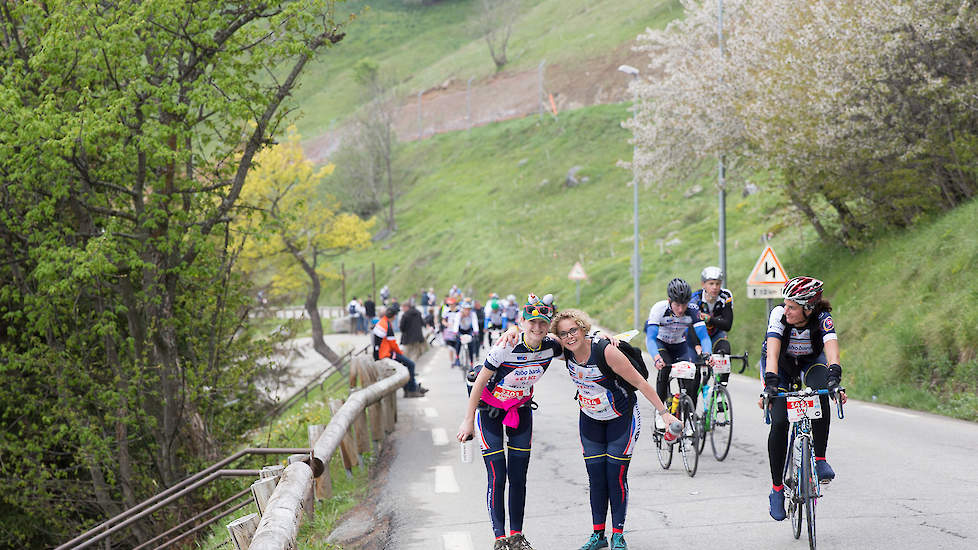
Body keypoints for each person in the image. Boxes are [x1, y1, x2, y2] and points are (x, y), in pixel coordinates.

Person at [552, 309, 678, 550]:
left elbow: (640, 383)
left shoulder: (605, 351)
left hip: (622, 418)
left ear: (583, 329)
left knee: (615, 476)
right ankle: (598, 534)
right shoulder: (564, 353)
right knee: (596, 478)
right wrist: (514, 331)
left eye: (573, 331)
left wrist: (664, 413)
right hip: (590, 419)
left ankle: (618, 534)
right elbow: (534, 339)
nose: (570, 337)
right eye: (564, 334)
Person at [457, 294, 560, 550]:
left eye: (542, 323)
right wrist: (467, 420)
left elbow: (576, 340)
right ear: (523, 323)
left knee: (518, 476)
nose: (537, 328)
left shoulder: (551, 346)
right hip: (490, 411)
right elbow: (480, 382)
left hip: (520, 410)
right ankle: (499, 538)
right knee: (497, 476)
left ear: (548, 326)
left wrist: (604, 338)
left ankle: (516, 536)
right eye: (531, 322)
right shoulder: (506, 346)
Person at [760, 276, 845, 521]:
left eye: (792, 307)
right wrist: (771, 384)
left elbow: (831, 349)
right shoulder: (779, 315)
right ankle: (777, 489)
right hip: (781, 366)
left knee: (821, 392)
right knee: (779, 422)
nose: (786, 310)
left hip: (810, 363)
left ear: (808, 308)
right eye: (785, 304)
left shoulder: (822, 318)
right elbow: (773, 353)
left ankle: (819, 459)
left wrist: (834, 377)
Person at [645, 278, 713, 410]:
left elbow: (704, 337)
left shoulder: (693, 309)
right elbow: (650, 339)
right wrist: (656, 357)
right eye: (677, 305)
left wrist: (707, 354)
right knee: (664, 370)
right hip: (661, 344)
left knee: (691, 378)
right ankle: (661, 411)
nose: (681, 309)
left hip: (680, 345)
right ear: (669, 301)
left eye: (684, 304)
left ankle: (688, 415)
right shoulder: (659, 309)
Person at [690, 267, 734, 384]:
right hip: (697, 337)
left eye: (718, 284)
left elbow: (727, 325)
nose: (715, 287)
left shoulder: (726, 296)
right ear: (703, 284)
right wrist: (697, 346)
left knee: (725, 351)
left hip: (716, 335)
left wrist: (710, 319)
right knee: (695, 377)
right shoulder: (694, 299)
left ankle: (720, 388)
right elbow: (690, 326)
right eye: (711, 284)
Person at [373, 306, 428, 397]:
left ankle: (412, 387)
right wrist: (400, 353)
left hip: (382, 353)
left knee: (407, 365)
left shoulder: (382, 323)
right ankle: (411, 390)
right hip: (386, 354)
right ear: (394, 316)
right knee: (410, 364)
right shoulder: (387, 325)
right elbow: (393, 344)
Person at [450, 299, 481, 367]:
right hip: (461, 330)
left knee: (471, 344)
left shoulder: (472, 314)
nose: (467, 311)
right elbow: (456, 324)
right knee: (458, 342)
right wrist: (455, 333)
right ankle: (457, 358)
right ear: (463, 309)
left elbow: (475, 323)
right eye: (466, 309)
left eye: (469, 309)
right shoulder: (459, 314)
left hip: (468, 330)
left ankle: (471, 363)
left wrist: (476, 332)